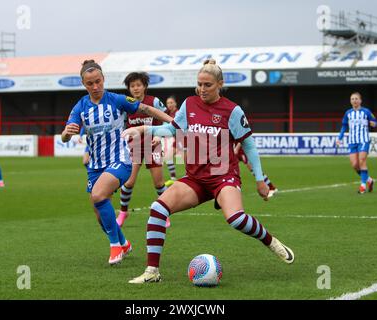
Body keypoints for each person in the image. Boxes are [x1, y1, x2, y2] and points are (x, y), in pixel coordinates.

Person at [124, 59, 295, 284]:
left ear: (220, 84)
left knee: (235, 219)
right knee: (157, 209)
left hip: (223, 176)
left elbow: (249, 145)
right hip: (195, 178)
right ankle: (152, 272)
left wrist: (260, 179)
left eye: (208, 85)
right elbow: (172, 129)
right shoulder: (189, 104)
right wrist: (144, 128)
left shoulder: (232, 110)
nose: (202, 90)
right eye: (199, 84)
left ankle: (270, 241)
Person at [61, 60, 173, 265]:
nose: (95, 87)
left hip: (120, 159)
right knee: (100, 215)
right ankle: (124, 242)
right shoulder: (80, 106)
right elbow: (66, 133)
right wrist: (66, 134)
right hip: (96, 165)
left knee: (98, 195)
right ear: (84, 84)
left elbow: (147, 109)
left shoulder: (117, 99)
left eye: (98, 81)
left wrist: (173, 123)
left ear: (103, 79)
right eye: (89, 84)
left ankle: (115, 248)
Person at [117, 72, 171, 228]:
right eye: (132, 86)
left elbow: (166, 120)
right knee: (128, 182)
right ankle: (123, 213)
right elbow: (123, 124)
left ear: (145, 86)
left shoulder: (153, 101)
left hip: (153, 145)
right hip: (133, 146)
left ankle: (164, 214)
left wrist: (160, 136)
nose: (135, 88)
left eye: (138, 85)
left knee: (159, 183)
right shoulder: (127, 104)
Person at [336, 92, 377, 194]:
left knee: (362, 160)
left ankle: (362, 186)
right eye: (352, 99)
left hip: (364, 140)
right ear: (350, 101)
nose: (354, 101)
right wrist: (339, 137)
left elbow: (375, 122)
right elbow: (344, 126)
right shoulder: (348, 113)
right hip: (352, 141)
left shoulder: (366, 111)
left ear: (360, 100)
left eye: (356, 99)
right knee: (355, 164)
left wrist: (372, 123)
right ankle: (369, 180)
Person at [163, 95, 181, 187]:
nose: (169, 104)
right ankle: (173, 179)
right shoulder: (168, 113)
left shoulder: (178, 113)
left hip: (184, 138)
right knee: (168, 157)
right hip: (178, 139)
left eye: (171, 102)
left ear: (175, 103)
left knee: (190, 161)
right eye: (168, 103)